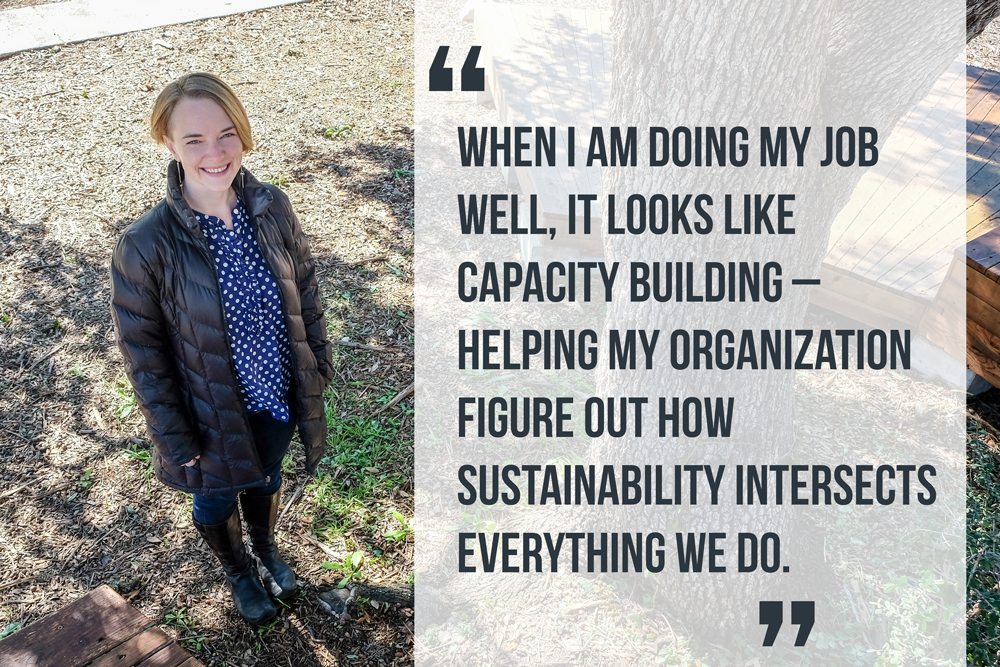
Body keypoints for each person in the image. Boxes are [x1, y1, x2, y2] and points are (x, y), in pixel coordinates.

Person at [110, 72, 334, 625]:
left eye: (227, 133)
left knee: (266, 476)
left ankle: (266, 548)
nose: (216, 152)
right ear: (167, 142)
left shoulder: (271, 207)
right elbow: (144, 353)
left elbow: (304, 288)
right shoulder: (145, 245)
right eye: (195, 140)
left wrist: (318, 362)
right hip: (206, 413)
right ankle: (237, 570)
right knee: (214, 499)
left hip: (276, 391)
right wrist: (172, 431)